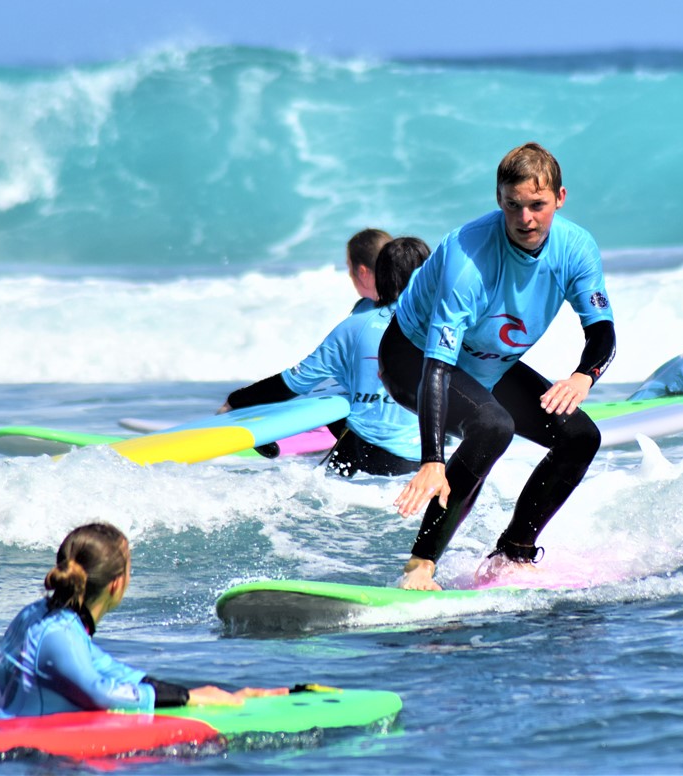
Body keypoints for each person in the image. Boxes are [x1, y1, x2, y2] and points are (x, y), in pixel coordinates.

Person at [378, 142, 616, 590]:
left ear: (560, 198)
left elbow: (602, 330)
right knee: (492, 425)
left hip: (490, 360)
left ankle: (514, 553)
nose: (525, 218)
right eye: (513, 205)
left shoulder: (576, 247)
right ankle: (420, 565)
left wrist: (585, 374)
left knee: (580, 436)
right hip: (413, 358)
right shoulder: (468, 257)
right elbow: (438, 363)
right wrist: (433, 459)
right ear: (499, 199)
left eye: (537, 205)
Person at [0, 523, 283, 719]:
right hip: (0, 753)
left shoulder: (40, 615)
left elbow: (107, 669)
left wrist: (196, 693)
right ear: (117, 583)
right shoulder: (59, 633)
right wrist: (188, 699)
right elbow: (99, 693)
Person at [221, 237, 431, 477]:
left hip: (363, 460)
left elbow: (293, 383)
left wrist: (236, 401)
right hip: (426, 466)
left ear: (380, 275)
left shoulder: (357, 326)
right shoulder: (448, 326)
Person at [345, 228, 393, 312]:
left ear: (362, 272)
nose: (349, 274)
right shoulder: (411, 299)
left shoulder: (360, 319)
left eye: (350, 267)